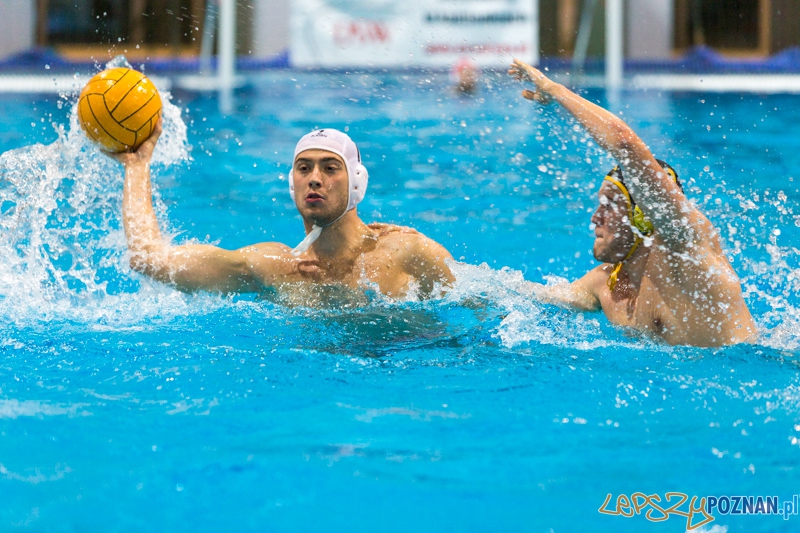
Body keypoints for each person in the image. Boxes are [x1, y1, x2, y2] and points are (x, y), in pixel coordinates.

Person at [508, 59, 756, 347]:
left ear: (644, 215)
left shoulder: (684, 247)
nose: (594, 218)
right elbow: (523, 294)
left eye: (610, 204)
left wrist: (555, 89)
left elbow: (625, 143)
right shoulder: (607, 284)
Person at [108, 123, 454, 300]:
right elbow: (147, 259)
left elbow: (487, 305)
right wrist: (137, 166)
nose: (315, 179)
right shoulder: (272, 268)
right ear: (292, 184)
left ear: (357, 184)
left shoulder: (405, 251)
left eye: (330, 168)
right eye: (304, 168)